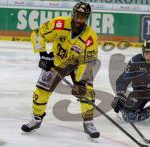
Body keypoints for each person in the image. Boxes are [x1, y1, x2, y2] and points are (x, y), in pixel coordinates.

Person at [21, 2, 100, 138]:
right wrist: (44, 55)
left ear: (87, 18)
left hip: (79, 64)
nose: (79, 19)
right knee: (41, 90)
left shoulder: (90, 37)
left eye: (83, 16)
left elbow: (89, 61)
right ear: (73, 14)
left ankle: (88, 122)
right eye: (77, 15)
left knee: (87, 91)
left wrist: (80, 83)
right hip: (58, 61)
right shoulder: (59, 24)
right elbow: (38, 34)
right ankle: (36, 118)